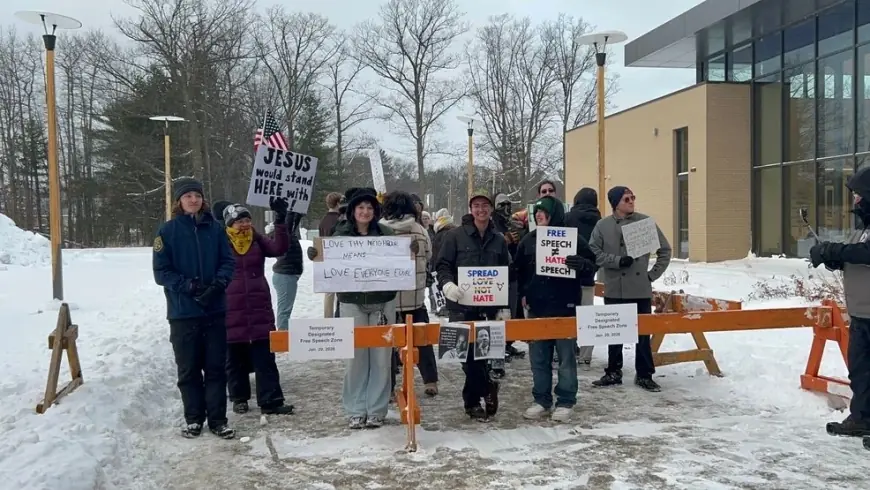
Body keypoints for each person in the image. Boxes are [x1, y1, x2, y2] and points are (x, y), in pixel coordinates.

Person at [307, 187, 400, 429]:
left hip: (383, 301)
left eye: (370, 207)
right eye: (361, 207)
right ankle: (356, 409)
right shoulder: (339, 235)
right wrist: (316, 254)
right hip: (351, 301)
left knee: (381, 358)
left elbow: (400, 262)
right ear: (353, 210)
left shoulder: (387, 234)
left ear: (375, 211)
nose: (365, 211)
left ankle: (377, 410)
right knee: (355, 358)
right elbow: (327, 262)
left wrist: (409, 253)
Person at [152, 178, 235, 439]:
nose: (193, 200)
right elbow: (161, 271)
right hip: (183, 313)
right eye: (187, 196)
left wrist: (218, 284)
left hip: (214, 310)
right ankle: (194, 418)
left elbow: (228, 261)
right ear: (179, 201)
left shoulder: (216, 229)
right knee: (188, 370)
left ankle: (218, 420)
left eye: (197, 195)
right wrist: (188, 286)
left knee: (215, 368)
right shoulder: (167, 231)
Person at [514, 194, 595, 422]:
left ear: (555, 214)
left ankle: (566, 400)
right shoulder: (529, 240)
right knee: (538, 359)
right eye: (537, 212)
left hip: (565, 307)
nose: (539, 215)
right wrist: (522, 297)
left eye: (544, 211)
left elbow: (592, 265)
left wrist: (582, 264)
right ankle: (541, 400)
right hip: (537, 308)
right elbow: (518, 272)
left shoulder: (573, 239)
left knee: (566, 359)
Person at [436, 191, 511, 420]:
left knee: (481, 354)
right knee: (463, 355)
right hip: (460, 305)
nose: (481, 210)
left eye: (485, 205)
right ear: (471, 209)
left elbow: (506, 272)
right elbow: (442, 265)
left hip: (488, 307)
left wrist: (505, 305)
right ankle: (488, 386)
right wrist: (447, 285)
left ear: (491, 209)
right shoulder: (454, 236)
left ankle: (472, 403)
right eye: (476, 205)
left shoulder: (498, 239)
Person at [589, 186, 671, 392]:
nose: (632, 201)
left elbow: (665, 250)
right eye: (626, 199)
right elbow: (594, 252)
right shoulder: (602, 226)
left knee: (642, 334)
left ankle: (644, 374)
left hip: (639, 289)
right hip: (614, 288)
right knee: (614, 333)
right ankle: (613, 372)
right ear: (615, 203)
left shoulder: (644, 222)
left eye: (633, 197)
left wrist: (651, 275)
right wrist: (616, 261)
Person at [809, 166, 870, 438]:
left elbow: (866, 253)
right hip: (861, 313)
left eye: (859, 195)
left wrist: (836, 250)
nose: (855, 200)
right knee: (861, 372)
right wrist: (834, 259)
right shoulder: (862, 229)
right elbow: (856, 257)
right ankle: (862, 419)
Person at [222, 200, 294, 416]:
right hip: (231, 304)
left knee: (264, 354)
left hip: (258, 303)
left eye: (247, 220)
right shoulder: (221, 242)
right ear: (230, 224)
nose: (244, 224)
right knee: (234, 355)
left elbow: (279, 248)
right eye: (239, 221)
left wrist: (280, 221)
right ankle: (239, 397)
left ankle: (271, 400)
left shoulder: (257, 238)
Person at [379, 191, 440, 397]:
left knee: (387, 343)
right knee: (422, 340)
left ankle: (387, 387)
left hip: (387, 298)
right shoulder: (420, 230)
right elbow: (429, 255)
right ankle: (430, 380)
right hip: (414, 297)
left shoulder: (379, 230)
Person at [565, 187, 603, 367]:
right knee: (587, 317)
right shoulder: (601, 223)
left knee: (568, 316)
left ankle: (568, 350)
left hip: (568, 277)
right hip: (588, 277)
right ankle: (586, 355)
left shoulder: (567, 219)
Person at [271, 211, 303, 331]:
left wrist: (299, 211)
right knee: (285, 310)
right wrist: (292, 209)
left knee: (285, 309)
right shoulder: (284, 234)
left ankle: (284, 333)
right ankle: (282, 336)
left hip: (287, 274)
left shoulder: (289, 233)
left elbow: (294, 222)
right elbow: (289, 222)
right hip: (285, 275)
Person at [318, 192, 343, 318]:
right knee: (342, 292)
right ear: (338, 203)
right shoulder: (340, 220)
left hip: (326, 259)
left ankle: (327, 319)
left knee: (329, 293)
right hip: (339, 259)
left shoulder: (323, 221)